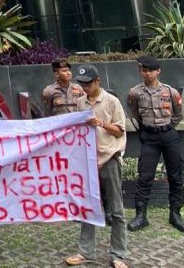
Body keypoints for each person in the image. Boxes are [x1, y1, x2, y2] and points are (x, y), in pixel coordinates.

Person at [64, 65, 128, 268]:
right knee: (88, 207)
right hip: (87, 161)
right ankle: (86, 252)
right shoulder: (81, 102)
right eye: (82, 84)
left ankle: (118, 255)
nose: (85, 88)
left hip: (108, 158)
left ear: (97, 81)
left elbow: (120, 130)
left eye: (88, 83)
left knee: (116, 210)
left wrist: (100, 123)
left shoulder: (112, 101)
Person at [127, 55, 184, 233]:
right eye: (144, 70)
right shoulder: (135, 93)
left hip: (169, 136)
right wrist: (147, 130)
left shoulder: (170, 92)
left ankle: (175, 214)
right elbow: (135, 114)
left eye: (150, 70)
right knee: (144, 176)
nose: (147, 74)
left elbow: (178, 113)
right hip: (149, 137)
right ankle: (141, 216)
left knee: (175, 175)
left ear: (158, 71)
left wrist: (168, 126)